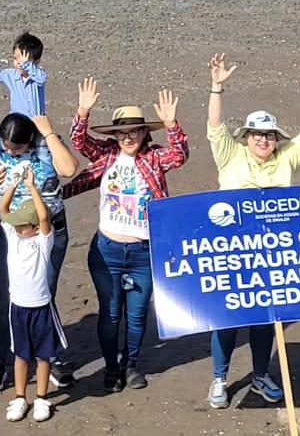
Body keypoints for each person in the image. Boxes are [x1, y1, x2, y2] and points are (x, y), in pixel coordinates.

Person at [204, 54, 300, 409]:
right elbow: (215, 128)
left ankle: (260, 375)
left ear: (276, 139)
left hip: (272, 252)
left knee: (265, 318)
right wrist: (217, 86)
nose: (263, 140)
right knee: (226, 317)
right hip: (230, 251)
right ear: (246, 136)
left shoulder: (286, 157)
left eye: (269, 135)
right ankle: (219, 378)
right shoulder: (230, 155)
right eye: (257, 134)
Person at [62, 79, 187, 393]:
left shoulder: (155, 157)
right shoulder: (106, 154)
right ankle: (111, 367)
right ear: (114, 135)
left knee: (137, 314)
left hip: (144, 252)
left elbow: (180, 155)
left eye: (135, 131)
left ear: (145, 133)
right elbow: (79, 142)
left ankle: (131, 365)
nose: (128, 137)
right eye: (122, 132)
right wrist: (83, 111)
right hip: (107, 250)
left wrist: (172, 125)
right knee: (111, 311)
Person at [0, 113, 79, 392]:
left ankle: (51, 357)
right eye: (5, 145)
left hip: (47, 230)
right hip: (6, 232)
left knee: (45, 293)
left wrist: (49, 131)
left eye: (15, 148)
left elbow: (68, 169)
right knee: (7, 295)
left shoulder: (44, 145)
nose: (8, 151)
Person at [0, 170, 63, 423]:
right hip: (18, 307)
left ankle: (40, 397)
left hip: (41, 307)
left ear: (35, 227)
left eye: (22, 224)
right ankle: (19, 397)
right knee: (21, 354)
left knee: (43, 354)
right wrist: (15, 185)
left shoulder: (43, 242)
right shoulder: (13, 237)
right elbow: (3, 208)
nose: (15, 227)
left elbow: (45, 216)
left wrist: (33, 188)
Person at [0, 33, 47, 117]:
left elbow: (42, 79)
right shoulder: (11, 75)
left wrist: (27, 65)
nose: (19, 64)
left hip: (35, 124)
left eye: (24, 61)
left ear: (36, 61)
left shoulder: (37, 76)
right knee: (0, 129)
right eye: (16, 58)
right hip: (16, 122)